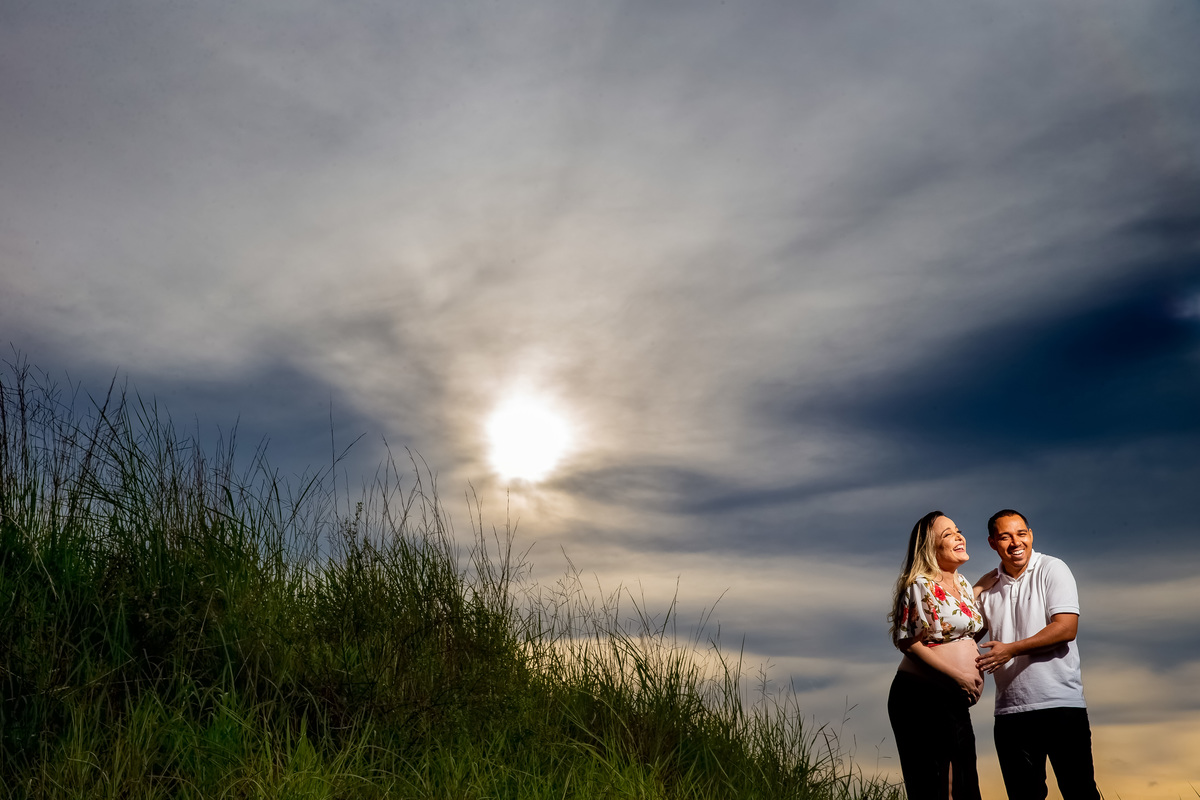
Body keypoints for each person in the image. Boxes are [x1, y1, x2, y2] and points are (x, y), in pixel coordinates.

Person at [974, 509, 1100, 800]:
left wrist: (1010, 649)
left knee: (1080, 791)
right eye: (1005, 537)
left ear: (1031, 536)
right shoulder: (989, 587)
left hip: (1061, 706)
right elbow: (964, 634)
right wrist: (975, 589)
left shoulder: (1052, 569)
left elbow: (1066, 628)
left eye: (1021, 534)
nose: (1015, 542)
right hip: (1009, 712)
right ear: (993, 543)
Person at [888, 510, 985, 800]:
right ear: (930, 548)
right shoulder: (919, 584)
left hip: (951, 696)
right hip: (920, 696)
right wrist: (959, 676)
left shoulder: (965, 585)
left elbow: (958, 629)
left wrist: (983, 585)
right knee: (936, 784)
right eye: (947, 534)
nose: (958, 536)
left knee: (964, 780)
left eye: (958, 529)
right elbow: (908, 642)